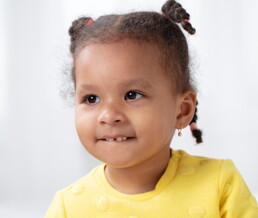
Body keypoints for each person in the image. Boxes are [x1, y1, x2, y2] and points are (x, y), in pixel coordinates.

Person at [45, 0, 258, 217]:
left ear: (183, 111)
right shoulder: (68, 207)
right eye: (91, 98)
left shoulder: (220, 184)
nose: (108, 116)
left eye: (132, 95)